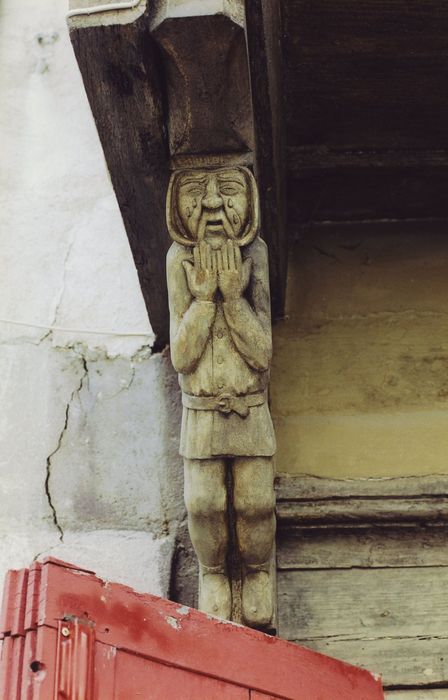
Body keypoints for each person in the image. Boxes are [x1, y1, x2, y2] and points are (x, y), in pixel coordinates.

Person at [166, 165, 276, 627]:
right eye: (196, 192)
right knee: (204, 504)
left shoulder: (257, 255)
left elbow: (262, 353)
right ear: (176, 206)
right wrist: (205, 300)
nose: (212, 202)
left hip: (248, 408)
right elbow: (183, 357)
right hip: (202, 411)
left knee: (254, 502)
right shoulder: (179, 260)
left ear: (250, 200)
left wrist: (233, 298)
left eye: (228, 190)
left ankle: (254, 573)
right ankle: (213, 573)